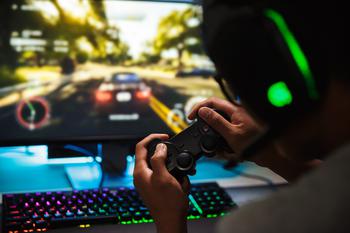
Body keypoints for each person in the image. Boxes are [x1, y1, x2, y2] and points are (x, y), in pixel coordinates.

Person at [133, 0, 349, 233]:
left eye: (241, 84)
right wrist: (267, 153)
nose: (243, 102)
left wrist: (168, 219)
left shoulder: (260, 224)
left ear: (284, 81)